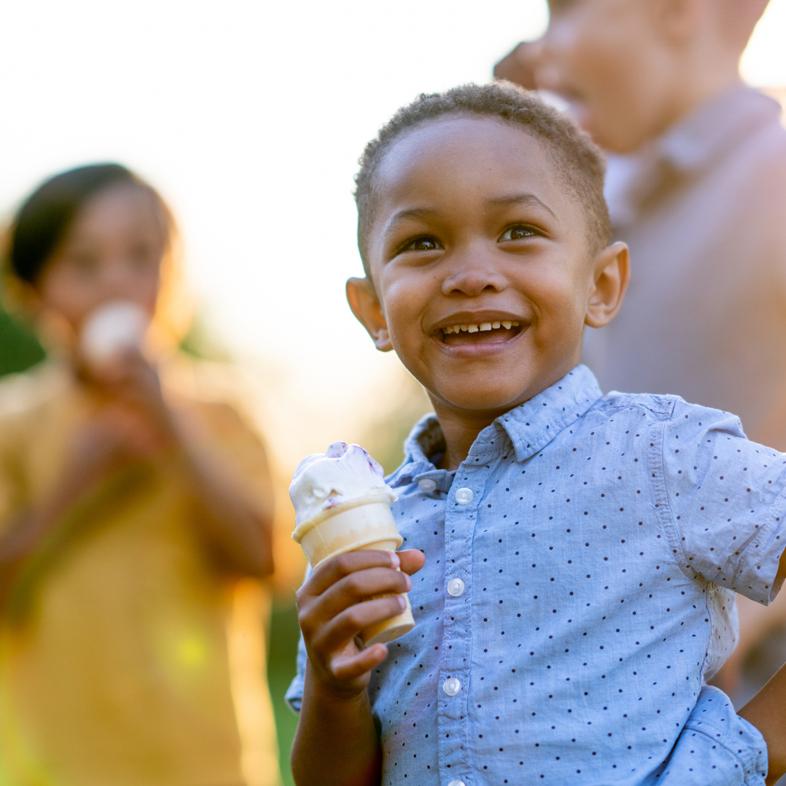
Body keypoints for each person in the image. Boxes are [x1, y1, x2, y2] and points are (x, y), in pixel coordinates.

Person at [285, 83, 786, 786]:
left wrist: (738, 752)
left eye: (519, 231)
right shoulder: (368, 533)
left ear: (602, 284)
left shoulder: (663, 458)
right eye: (421, 243)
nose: (470, 275)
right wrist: (336, 687)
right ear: (372, 309)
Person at [497, 0, 786, 706]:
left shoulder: (773, 177)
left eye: (564, 11)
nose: (537, 48)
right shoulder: (599, 204)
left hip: (739, 690)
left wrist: (738, 633)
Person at [0, 163, 280, 786]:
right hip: (52, 765)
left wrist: (175, 431)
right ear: (35, 290)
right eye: (84, 264)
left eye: (140, 256)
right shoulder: (12, 423)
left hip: (208, 763)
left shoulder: (220, 413)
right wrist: (79, 484)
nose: (118, 284)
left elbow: (263, 558)